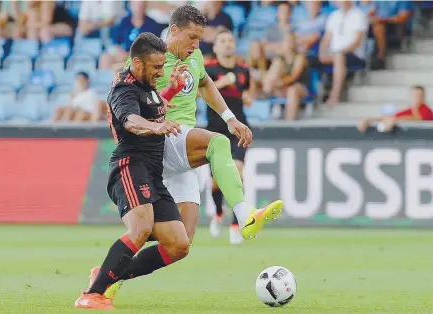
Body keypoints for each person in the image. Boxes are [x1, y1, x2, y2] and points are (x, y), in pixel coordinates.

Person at [87, 4, 283, 303]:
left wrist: (230, 117)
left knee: (180, 244)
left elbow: (204, 83)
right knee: (217, 143)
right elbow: (127, 101)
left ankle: (109, 274)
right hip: (165, 139)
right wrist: (148, 122)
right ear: (173, 30)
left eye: (199, 39)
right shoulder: (151, 58)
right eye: (191, 38)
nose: (196, 45)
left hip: (181, 147)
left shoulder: (194, 57)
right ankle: (244, 216)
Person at [74, 33, 189, 309]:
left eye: (163, 66)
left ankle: (103, 277)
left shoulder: (145, 83)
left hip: (152, 172)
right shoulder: (123, 89)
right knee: (141, 228)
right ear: (137, 63)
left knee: (178, 244)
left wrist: (170, 91)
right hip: (129, 165)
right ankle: (90, 296)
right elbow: (131, 120)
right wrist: (155, 127)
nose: (161, 72)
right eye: (157, 67)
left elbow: (152, 107)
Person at [204, 30, 255, 244]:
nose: (227, 45)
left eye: (231, 41)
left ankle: (236, 225)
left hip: (238, 130)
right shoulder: (208, 70)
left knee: (237, 171)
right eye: (222, 41)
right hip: (215, 131)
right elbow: (199, 93)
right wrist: (223, 83)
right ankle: (218, 213)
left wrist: (249, 98)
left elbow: (250, 94)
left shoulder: (244, 70)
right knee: (216, 183)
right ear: (215, 47)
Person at [319, 0, 368, 106]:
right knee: (309, 59)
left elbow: (357, 42)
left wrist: (339, 52)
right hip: (334, 54)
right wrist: (322, 54)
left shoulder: (359, 15)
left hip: (353, 54)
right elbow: (326, 38)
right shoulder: (334, 16)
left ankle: (334, 95)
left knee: (339, 57)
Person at [98, 1, 163, 71]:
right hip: (123, 55)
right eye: (136, 5)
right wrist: (119, 51)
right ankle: (103, 80)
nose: (138, 8)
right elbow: (115, 41)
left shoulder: (153, 25)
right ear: (131, 6)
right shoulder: (124, 22)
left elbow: (154, 49)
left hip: (141, 58)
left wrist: (131, 55)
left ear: (145, 6)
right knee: (105, 58)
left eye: (141, 5)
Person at [263, 32, 309, 120]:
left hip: (300, 87)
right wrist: (272, 84)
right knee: (276, 66)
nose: (289, 43)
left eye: (291, 40)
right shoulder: (279, 60)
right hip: (284, 87)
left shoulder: (300, 57)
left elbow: (294, 77)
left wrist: (281, 82)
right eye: (287, 41)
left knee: (292, 90)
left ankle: (289, 122)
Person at [358, 85, 433, 133]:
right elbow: (393, 117)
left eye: (419, 96)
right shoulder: (408, 111)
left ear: (423, 97)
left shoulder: (427, 111)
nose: (416, 98)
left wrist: (397, 120)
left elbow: (419, 119)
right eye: (414, 95)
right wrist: (369, 119)